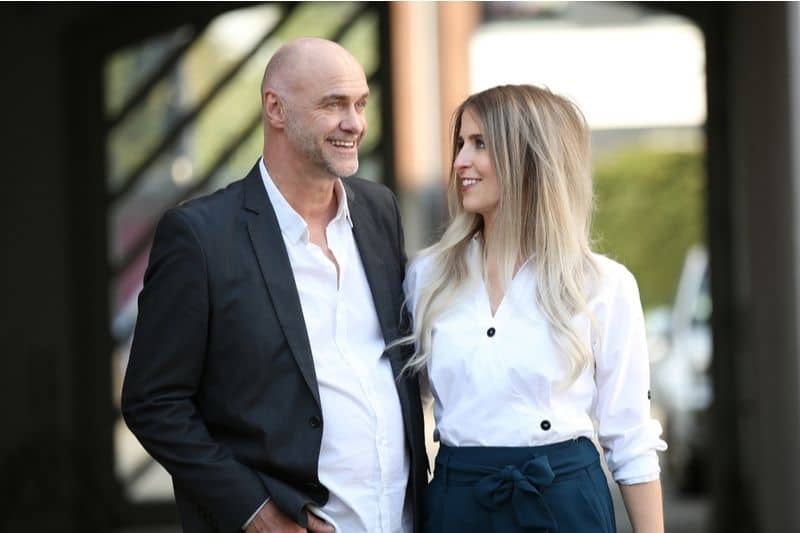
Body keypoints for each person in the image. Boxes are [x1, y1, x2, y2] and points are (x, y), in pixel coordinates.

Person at [122, 38, 427, 533]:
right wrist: (255, 515)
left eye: (360, 104)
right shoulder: (200, 237)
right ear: (275, 108)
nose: (355, 122)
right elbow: (153, 402)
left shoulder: (378, 211)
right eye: (334, 104)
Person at [403, 84, 667, 533]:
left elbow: (631, 438)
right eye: (461, 143)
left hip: (565, 505)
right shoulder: (427, 276)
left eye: (480, 144)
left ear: (528, 157)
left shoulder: (603, 285)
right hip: (458, 504)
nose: (460, 162)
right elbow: (401, 409)